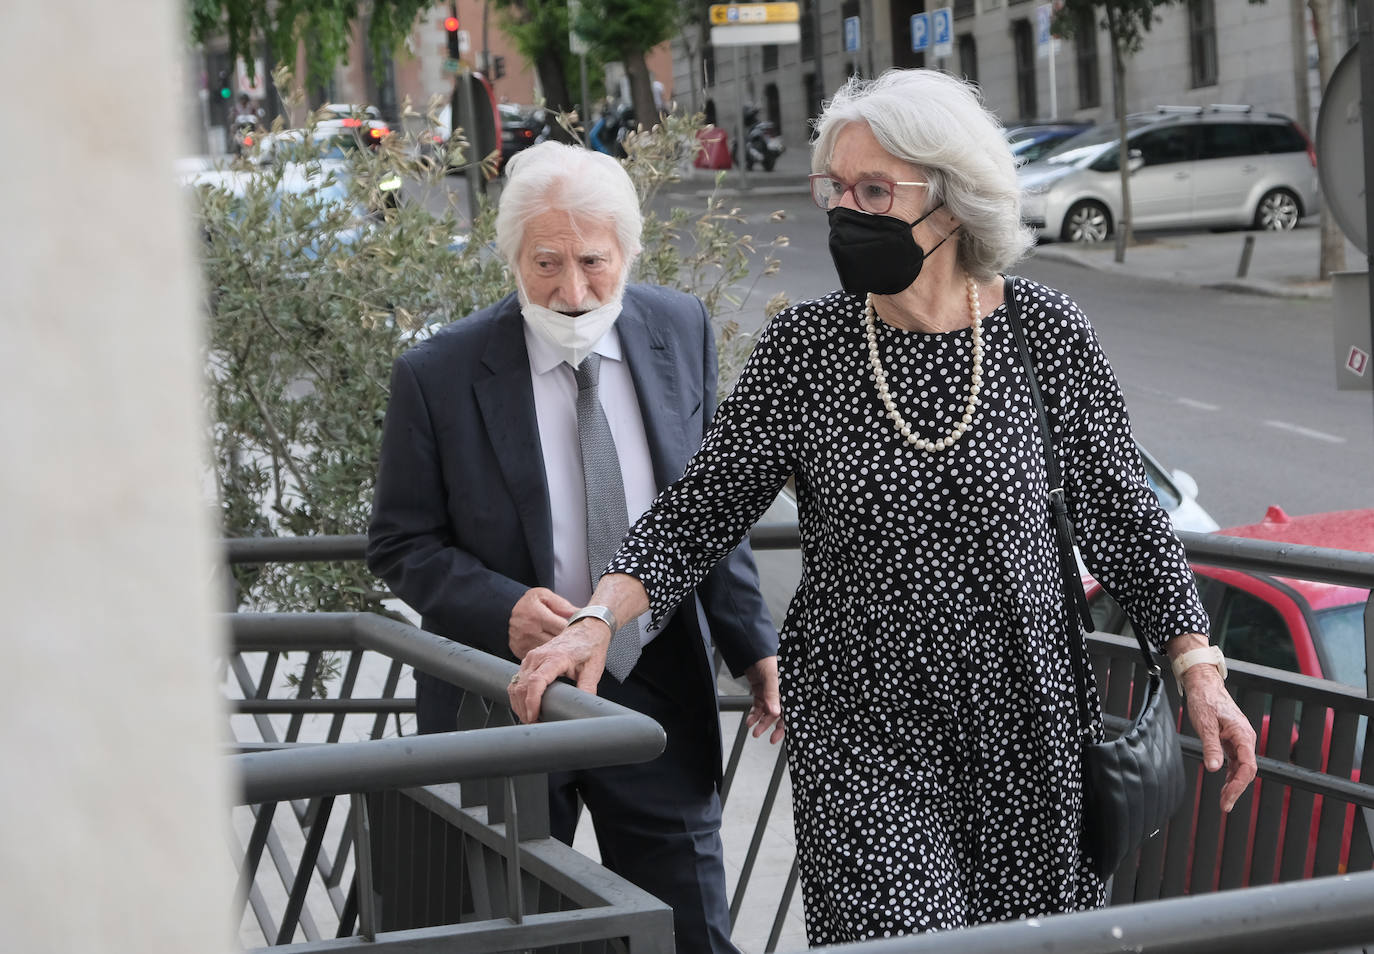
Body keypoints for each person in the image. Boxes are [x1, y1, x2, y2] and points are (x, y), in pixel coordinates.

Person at [507, 70, 1259, 945]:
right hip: (865, 722)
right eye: (837, 188)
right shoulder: (808, 350)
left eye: (875, 190)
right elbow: (700, 511)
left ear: (952, 198)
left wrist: (1198, 669)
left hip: (1027, 714)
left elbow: (1124, 516)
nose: (846, 212)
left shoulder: (1046, 332)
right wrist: (598, 617)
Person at [366, 140, 782, 954]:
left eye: (593, 261)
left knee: (692, 932)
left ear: (628, 250)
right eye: (546, 262)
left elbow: (708, 507)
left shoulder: (679, 328)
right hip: (506, 695)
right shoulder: (436, 373)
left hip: (655, 683)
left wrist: (752, 645)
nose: (572, 289)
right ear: (513, 258)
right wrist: (503, 606)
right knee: (514, 934)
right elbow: (400, 541)